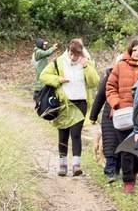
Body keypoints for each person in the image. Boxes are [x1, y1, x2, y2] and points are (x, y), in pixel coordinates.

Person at [38, 40, 100, 177]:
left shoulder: (87, 63)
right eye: (71, 54)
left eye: (76, 55)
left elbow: (94, 82)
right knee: (63, 135)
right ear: (68, 51)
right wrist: (58, 80)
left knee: (76, 134)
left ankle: (76, 165)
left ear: (81, 54)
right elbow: (43, 76)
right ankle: (63, 165)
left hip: (80, 103)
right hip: (63, 103)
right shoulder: (59, 62)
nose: (73, 57)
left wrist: (86, 67)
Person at [106, 39, 138, 193]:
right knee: (126, 149)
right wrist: (116, 103)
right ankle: (128, 180)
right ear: (130, 51)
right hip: (123, 113)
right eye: (135, 50)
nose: (137, 53)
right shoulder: (120, 66)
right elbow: (110, 86)